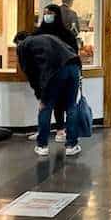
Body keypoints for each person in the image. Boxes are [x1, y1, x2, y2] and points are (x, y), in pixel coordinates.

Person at [14, 30, 82, 158]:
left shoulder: (22, 46)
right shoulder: (49, 36)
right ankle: (71, 146)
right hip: (73, 66)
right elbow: (71, 51)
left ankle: (42, 146)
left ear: (18, 42)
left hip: (54, 71)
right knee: (71, 105)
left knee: (46, 106)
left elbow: (30, 72)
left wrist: (40, 96)